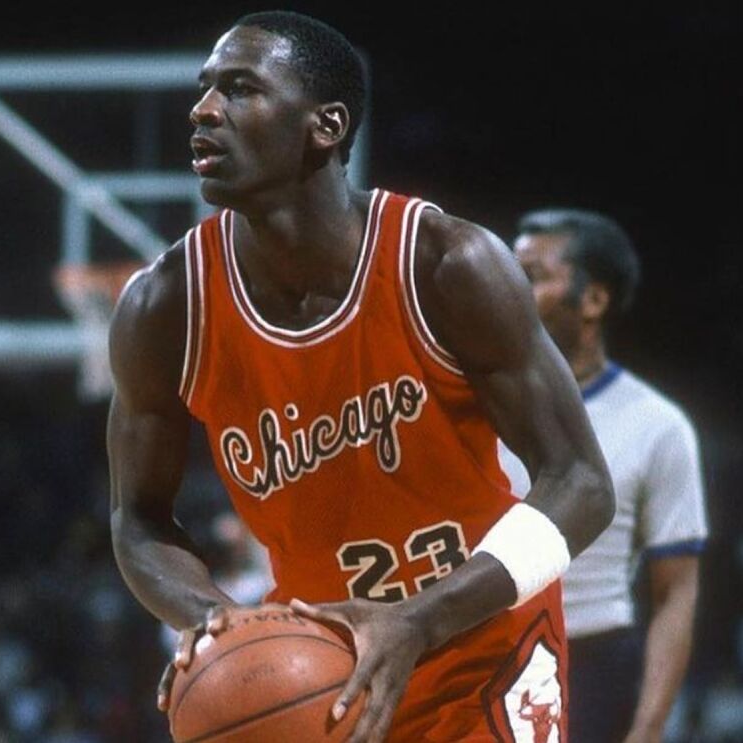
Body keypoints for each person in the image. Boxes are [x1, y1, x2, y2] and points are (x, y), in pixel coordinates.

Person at [106, 12, 614, 742]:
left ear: (326, 125)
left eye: (240, 88)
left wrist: (421, 618)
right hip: (319, 668)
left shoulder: (446, 264)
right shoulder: (165, 306)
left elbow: (582, 484)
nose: (204, 109)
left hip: (479, 641)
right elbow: (138, 518)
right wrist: (217, 621)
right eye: (205, 88)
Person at [500, 209, 708, 743]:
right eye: (508, 273)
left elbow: (675, 593)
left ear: (593, 300)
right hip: (481, 649)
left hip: (590, 663)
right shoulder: (470, 405)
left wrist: (649, 727)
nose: (508, 290)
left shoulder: (658, 425)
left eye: (532, 276)